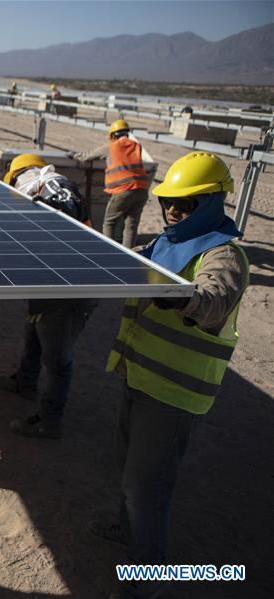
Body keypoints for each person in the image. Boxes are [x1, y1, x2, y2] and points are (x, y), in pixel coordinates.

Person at [90, 152, 249, 599]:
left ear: (212, 203)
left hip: (175, 393)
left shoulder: (223, 253)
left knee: (146, 489)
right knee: (127, 472)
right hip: (141, 374)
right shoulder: (169, 242)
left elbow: (214, 298)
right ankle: (128, 533)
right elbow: (134, 261)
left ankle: (147, 579)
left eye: (185, 205)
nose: (173, 212)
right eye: (168, 203)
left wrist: (178, 297)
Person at [0, 154, 97, 439]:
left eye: (14, 182)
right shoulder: (39, 189)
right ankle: (25, 383)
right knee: (33, 334)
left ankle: (50, 420)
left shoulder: (53, 184)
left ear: (24, 173)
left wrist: (37, 214)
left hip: (71, 289)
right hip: (49, 283)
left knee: (57, 360)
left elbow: (64, 213)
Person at [77, 119, 152, 248]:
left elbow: (87, 156)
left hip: (123, 190)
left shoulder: (111, 147)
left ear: (112, 136)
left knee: (109, 223)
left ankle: (109, 251)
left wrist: (75, 155)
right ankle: (129, 254)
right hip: (142, 189)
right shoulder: (136, 146)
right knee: (131, 225)